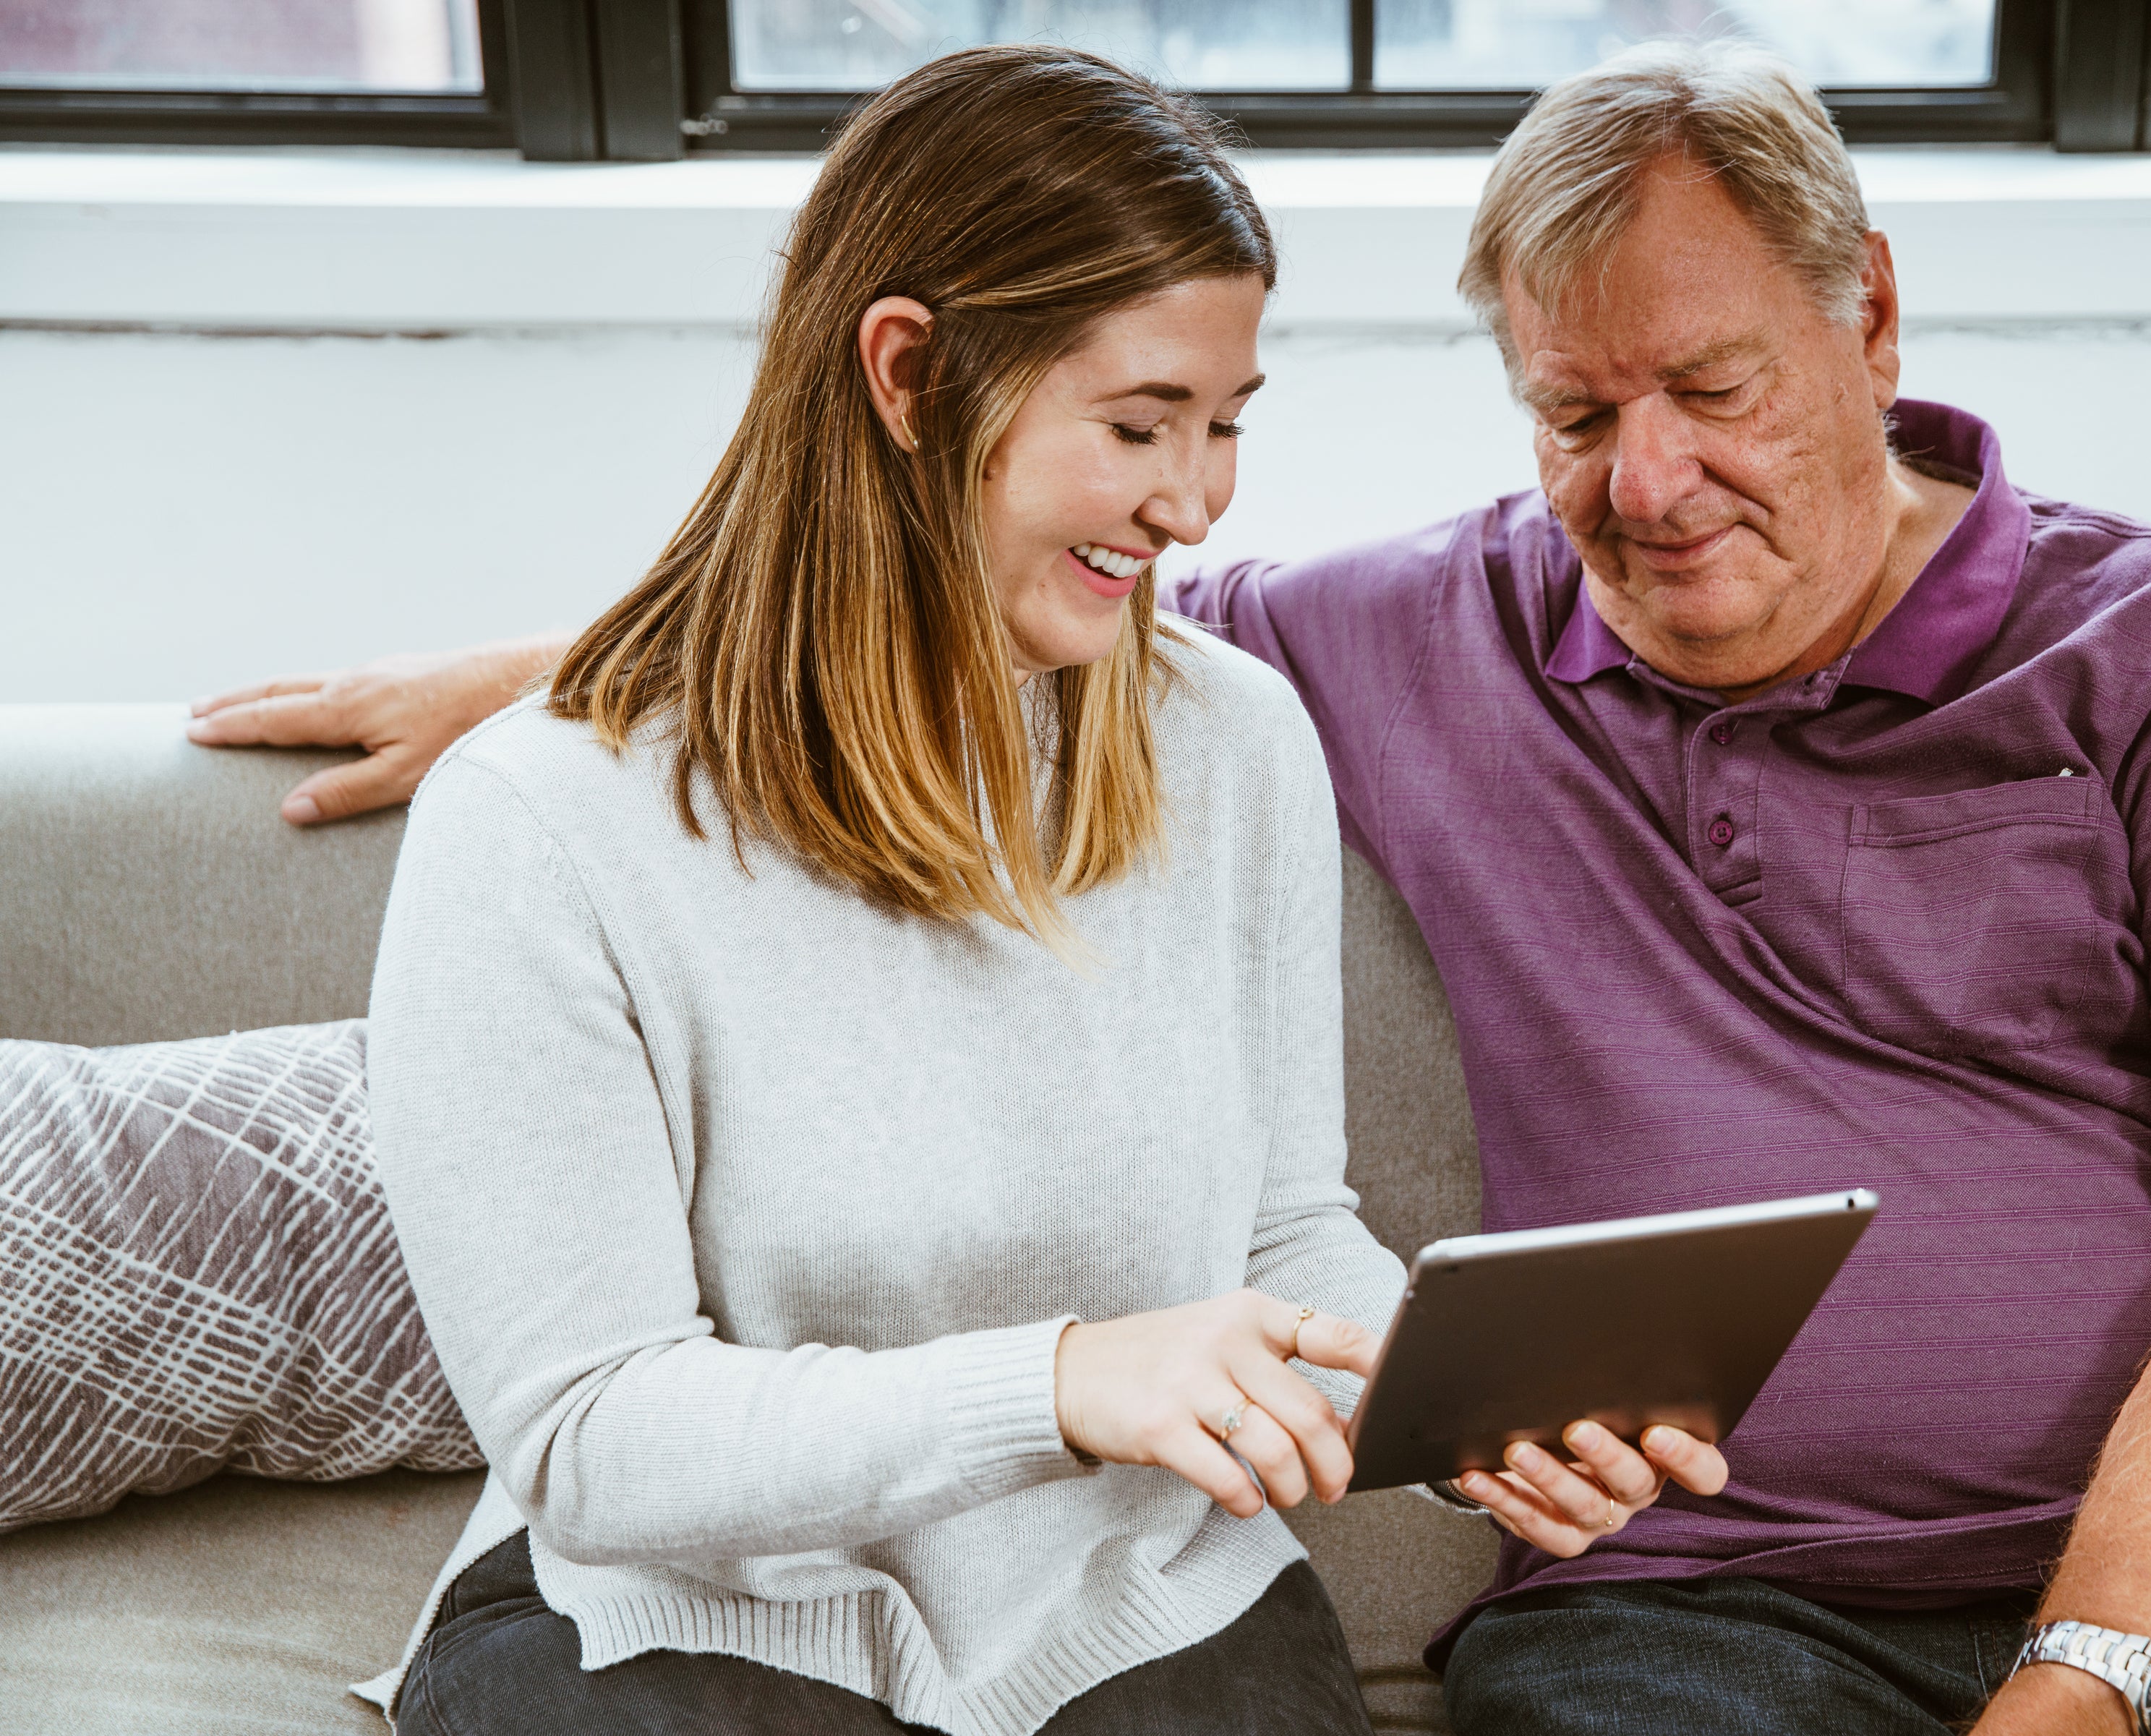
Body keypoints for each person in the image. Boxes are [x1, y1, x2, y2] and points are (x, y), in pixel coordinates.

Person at [200, 40, 2151, 1736]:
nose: (1643, 484)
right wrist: (571, 675)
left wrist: (1455, 1394)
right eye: (1571, 412)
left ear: (1869, 316)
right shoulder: (1367, 643)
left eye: (1716, 387)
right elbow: (880, 597)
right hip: (1705, 1610)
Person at [346, 45, 1476, 1736]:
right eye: (1139, 423)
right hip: (688, 1618)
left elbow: (1283, 1231)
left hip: (1135, 1607)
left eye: (1227, 424)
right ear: (909, 373)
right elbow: (587, 1434)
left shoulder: (1235, 747)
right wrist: (1062, 1382)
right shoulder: (539, 821)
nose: (1197, 500)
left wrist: (1470, 1405)